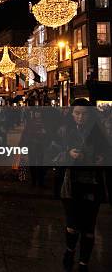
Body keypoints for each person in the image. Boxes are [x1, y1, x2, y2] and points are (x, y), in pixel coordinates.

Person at [60, 98, 110, 272]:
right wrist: (68, 153)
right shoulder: (65, 131)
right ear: (72, 114)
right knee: (72, 224)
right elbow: (53, 152)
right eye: (77, 113)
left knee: (89, 227)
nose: (80, 117)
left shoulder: (99, 132)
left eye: (84, 114)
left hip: (92, 184)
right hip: (72, 184)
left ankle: (83, 263)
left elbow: (107, 152)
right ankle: (70, 250)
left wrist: (102, 159)